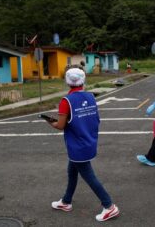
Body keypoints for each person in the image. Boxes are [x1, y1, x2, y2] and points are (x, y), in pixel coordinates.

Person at [48, 68, 120, 222]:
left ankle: (109, 206)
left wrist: (50, 122)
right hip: (89, 140)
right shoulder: (90, 96)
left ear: (67, 81)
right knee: (72, 171)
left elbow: (60, 125)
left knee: (88, 175)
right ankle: (66, 201)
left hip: (77, 146)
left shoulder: (66, 101)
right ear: (83, 80)